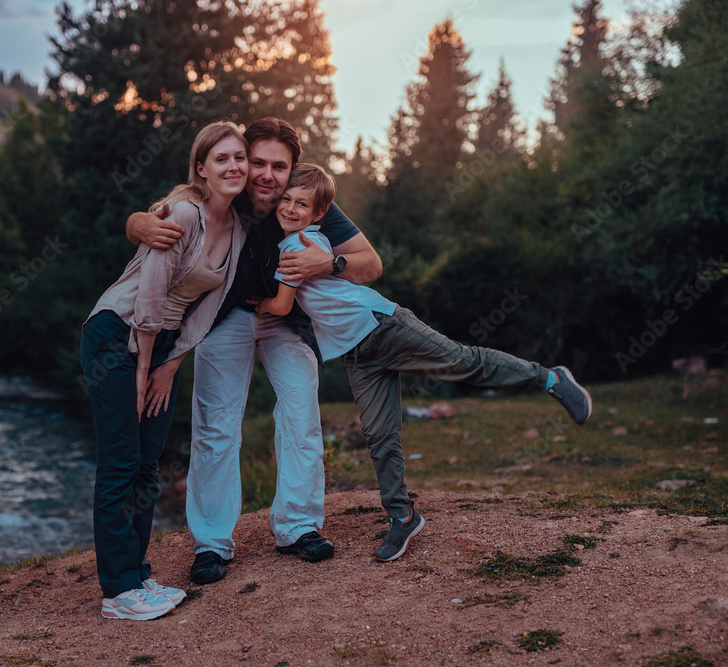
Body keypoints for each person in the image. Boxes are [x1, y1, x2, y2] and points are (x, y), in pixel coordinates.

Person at [256, 163, 594, 561]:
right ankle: (403, 518)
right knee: (379, 435)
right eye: (286, 201)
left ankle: (550, 378)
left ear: (318, 215)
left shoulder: (298, 247)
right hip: (356, 354)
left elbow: (280, 306)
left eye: (302, 204)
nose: (291, 209)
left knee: (465, 363)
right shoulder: (300, 241)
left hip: (384, 326)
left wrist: (248, 303)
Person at [127, 118, 383, 585]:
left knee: (301, 412)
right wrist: (139, 222)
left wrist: (330, 261)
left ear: (294, 170)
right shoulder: (227, 188)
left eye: (278, 167)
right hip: (223, 319)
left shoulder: (310, 198)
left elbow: (372, 263)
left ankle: (299, 526)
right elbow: (163, 211)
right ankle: (211, 543)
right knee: (215, 425)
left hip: (285, 321)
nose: (266, 175)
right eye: (258, 162)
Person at [80, 121, 249, 620]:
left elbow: (205, 310)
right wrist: (142, 365)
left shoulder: (237, 230)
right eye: (222, 158)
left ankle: (136, 574)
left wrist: (169, 365)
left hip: (163, 345)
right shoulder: (181, 213)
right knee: (120, 461)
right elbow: (152, 289)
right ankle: (117, 592)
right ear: (201, 168)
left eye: (239, 157)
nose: (234, 166)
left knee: (148, 463)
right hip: (118, 334)